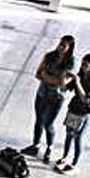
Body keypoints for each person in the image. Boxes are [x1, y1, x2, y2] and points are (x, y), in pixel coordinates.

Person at [21, 35, 76, 163]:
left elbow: (62, 83)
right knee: (39, 120)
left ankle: (50, 148)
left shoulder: (70, 63)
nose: (61, 47)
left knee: (48, 123)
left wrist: (47, 77)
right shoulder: (49, 56)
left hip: (57, 97)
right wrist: (52, 79)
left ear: (70, 48)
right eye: (60, 43)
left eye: (64, 45)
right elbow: (38, 73)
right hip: (42, 93)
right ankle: (35, 146)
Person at [55, 54, 90, 174]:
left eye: (86, 65)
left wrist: (77, 81)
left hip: (83, 112)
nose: (83, 67)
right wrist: (64, 76)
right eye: (82, 64)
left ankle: (74, 164)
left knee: (78, 137)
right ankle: (64, 157)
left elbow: (86, 99)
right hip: (74, 108)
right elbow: (65, 87)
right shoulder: (80, 75)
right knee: (69, 135)